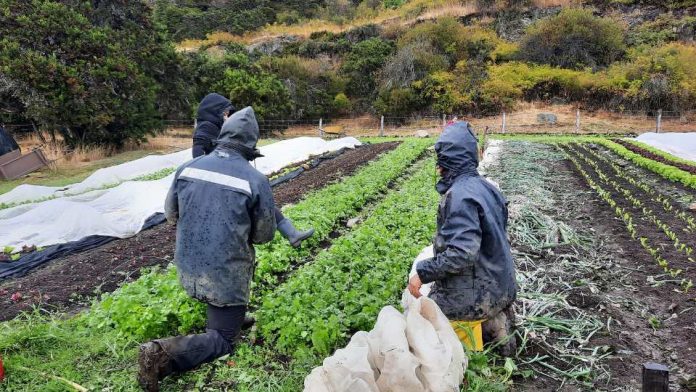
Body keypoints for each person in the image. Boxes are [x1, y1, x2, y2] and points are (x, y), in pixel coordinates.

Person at [138, 107, 277, 391]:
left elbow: (171, 214)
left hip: (187, 266)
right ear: (251, 148)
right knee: (224, 340)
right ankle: (161, 354)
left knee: (226, 304)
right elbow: (264, 236)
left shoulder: (187, 168)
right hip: (223, 274)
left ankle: (232, 316)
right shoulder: (255, 181)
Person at [407, 121, 517, 356]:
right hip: (501, 285)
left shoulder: (459, 196)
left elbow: (461, 254)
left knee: (425, 315)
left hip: (476, 293)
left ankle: (466, 353)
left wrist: (422, 273)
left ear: (449, 161)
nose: (438, 169)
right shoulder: (487, 187)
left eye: (441, 162)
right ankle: (494, 324)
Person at [192, 93, 313, 247]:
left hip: (228, 174)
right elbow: (197, 158)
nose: (227, 117)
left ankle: (291, 233)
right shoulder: (206, 127)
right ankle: (290, 234)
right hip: (218, 181)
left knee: (259, 198)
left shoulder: (217, 128)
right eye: (225, 113)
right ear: (215, 112)